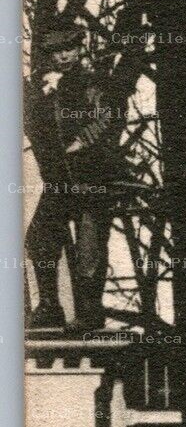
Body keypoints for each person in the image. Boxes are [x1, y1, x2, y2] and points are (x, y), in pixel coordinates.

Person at [24, 26, 126, 331]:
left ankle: (90, 312)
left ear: (80, 49)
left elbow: (108, 116)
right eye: (57, 50)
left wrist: (82, 140)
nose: (63, 55)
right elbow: (32, 123)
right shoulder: (40, 87)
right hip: (60, 180)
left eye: (69, 48)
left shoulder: (91, 82)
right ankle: (49, 307)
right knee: (40, 236)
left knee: (89, 245)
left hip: (91, 177)